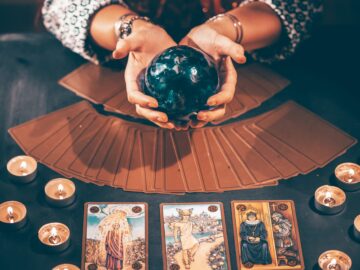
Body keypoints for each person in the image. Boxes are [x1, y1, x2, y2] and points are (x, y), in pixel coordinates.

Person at [42, 0, 322, 129]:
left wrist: (228, 30)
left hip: (252, 68)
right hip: (110, 67)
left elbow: (298, 5)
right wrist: (129, 29)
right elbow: (62, 6)